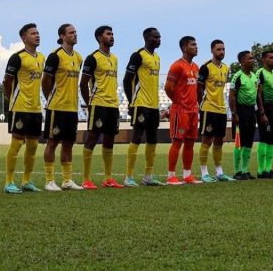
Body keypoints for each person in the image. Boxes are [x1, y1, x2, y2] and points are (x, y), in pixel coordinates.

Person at [3, 23, 45, 194]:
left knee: (33, 145)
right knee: (17, 143)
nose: (37, 35)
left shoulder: (41, 57)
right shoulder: (17, 57)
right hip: (20, 107)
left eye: (38, 32)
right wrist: (12, 100)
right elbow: (7, 81)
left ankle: (26, 181)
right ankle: (9, 182)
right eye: (33, 33)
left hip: (36, 108)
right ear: (24, 37)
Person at [42, 24, 84, 191]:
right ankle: (49, 181)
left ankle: (67, 180)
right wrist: (51, 99)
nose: (75, 34)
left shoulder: (79, 57)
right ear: (62, 36)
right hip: (57, 107)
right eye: (71, 32)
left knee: (68, 143)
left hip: (72, 108)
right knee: (52, 142)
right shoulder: (55, 56)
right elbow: (46, 81)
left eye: (75, 32)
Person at [80, 26, 123, 189]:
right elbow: (83, 83)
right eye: (108, 34)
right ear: (99, 38)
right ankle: (86, 179)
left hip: (113, 105)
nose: (112, 36)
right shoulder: (92, 58)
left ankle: (108, 178)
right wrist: (89, 103)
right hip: (98, 103)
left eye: (112, 34)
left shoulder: (115, 58)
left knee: (110, 140)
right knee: (92, 138)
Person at [122, 27, 164, 187]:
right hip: (140, 103)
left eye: (159, 37)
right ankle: (128, 177)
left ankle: (148, 176)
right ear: (147, 38)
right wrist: (131, 102)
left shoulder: (157, 57)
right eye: (155, 37)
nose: (159, 40)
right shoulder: (138, 55)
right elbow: (127, 80)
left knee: (153, 139)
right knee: (137, 137)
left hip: (154, 105)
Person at [164, 36, 201, 185]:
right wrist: (178, 102)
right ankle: (170, 176)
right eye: (193, 44)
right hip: (181, 110)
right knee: (177, 141)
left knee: (190, 142)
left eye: (196, 44)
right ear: (185, 48)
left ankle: (187, 175)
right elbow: (168, 88)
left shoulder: (196, 67)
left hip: (193, 110)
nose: (196, 47)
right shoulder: (177, 66)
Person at [197, 39, 232, 182]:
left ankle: (219, 172)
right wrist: (200, 103)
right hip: (208, 108)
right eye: (218, 49)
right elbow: (199, 87)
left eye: (223, 49)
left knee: (219, 141)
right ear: (212, 50)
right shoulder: (205, 67)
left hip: (222, 109)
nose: (221, 52)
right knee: (207, 140)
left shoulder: (226, 68)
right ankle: (204, 172)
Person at [229, 50, 261, 180]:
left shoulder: (254, 76)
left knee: (248, 141)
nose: (252, 60)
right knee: (239, 141)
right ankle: (237, 172)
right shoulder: (237, 76)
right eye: (250, 58)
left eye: (253, 58)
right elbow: (232, 96)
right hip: (240, 111)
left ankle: (245, 170)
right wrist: (234, 113)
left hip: (251, 111)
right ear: (242, 61)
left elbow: (257, 95)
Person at [255, 50, 273, 178]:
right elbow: (258, 93)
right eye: (271, 57)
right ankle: (261, 171)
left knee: (271, 139)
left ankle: (268, 169)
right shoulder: (260, 73)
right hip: (266, 108)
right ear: (264, 60)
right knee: (264, 138)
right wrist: (262, 112)